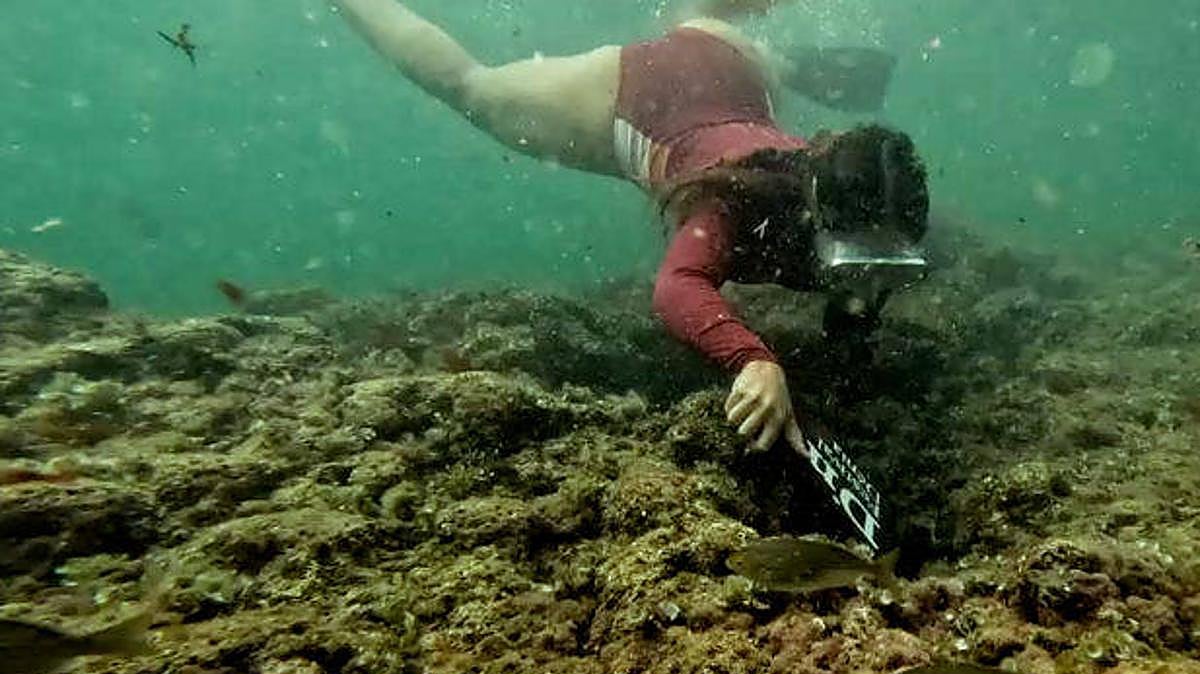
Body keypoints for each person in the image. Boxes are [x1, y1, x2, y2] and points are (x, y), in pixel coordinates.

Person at [332, 0, 929, 455]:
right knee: (471, 87)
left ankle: (741, 33)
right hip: (632, 93)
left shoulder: (859, 197)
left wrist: (851, 339)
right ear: (819, 214)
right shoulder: (739, 202)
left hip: (734, 66)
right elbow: (677, 287)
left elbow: (860, 284)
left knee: (703, 25)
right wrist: (753, 359)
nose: (866, 267)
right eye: (856, 256)